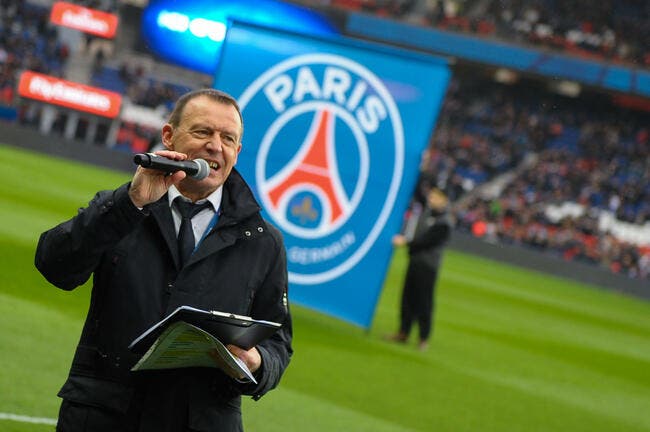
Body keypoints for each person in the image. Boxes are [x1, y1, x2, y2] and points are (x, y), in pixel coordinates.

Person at [35, 88, 293, 432]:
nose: (215, 145)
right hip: (104, 417)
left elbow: (278, 341)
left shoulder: (263, 241)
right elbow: (56, 266)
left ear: (237, 151)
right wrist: (129, 204)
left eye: (227, 138)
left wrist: (257, 362)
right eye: (202, 132)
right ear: (169, 135)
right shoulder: (124, 208)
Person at [386, 187, 452, 351]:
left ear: (444, 199)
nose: (432, 198)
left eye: (436, 196)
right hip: (415, 261)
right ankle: (403, 331)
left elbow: (427, 241)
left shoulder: (444, 222)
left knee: (424, 302)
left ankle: (423, 338)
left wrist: (406, 243)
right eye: (432, 194)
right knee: (408, 297)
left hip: (428, 266)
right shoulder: (427, 215)